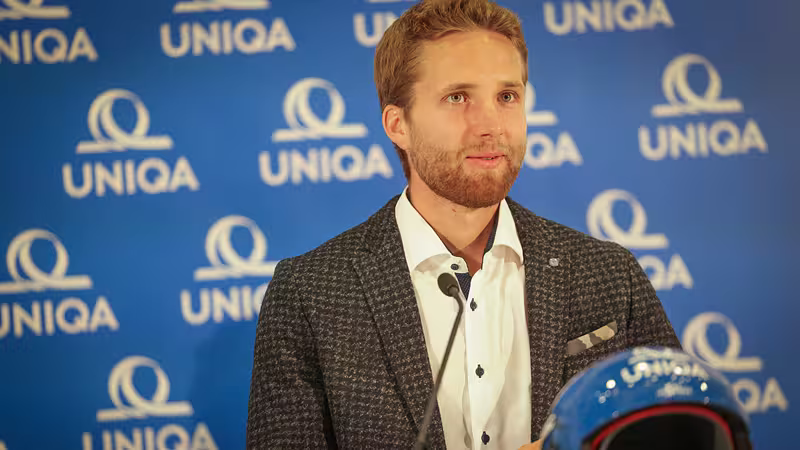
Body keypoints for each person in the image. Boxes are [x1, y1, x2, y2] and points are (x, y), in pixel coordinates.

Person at [246, 0, 681, 448]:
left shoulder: (610, 274)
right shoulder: (310, 294)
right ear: (398, 124)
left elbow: (681, 433)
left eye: (507, 97)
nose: (490, 125)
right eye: (458, 97)